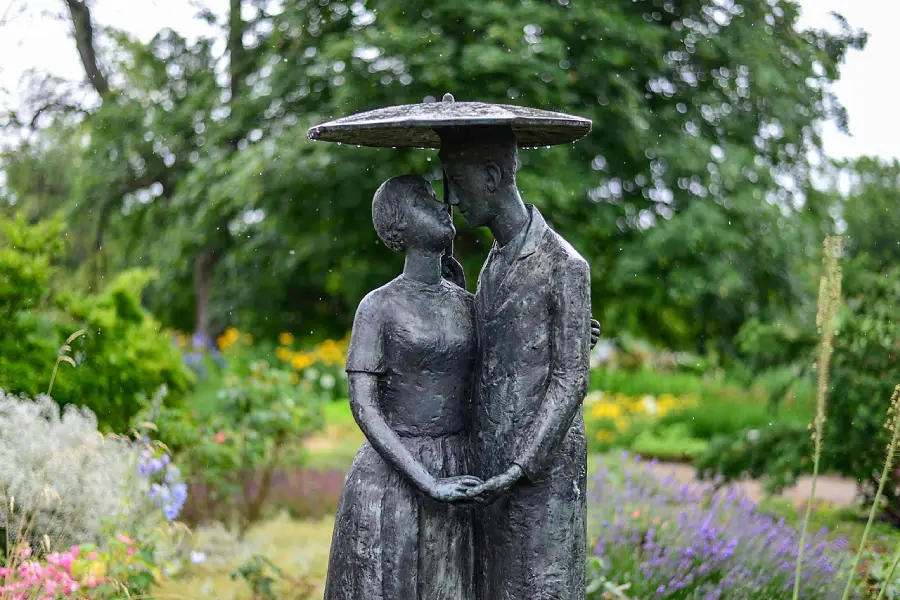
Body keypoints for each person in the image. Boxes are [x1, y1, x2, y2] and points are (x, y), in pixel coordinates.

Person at [439, 124, 592, 600]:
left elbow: (570, 380)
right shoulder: (494, 261)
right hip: (490, 467)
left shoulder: (564, 263)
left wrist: (519, 467)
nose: (452, 200)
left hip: (539, 475)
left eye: (457, 183)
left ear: (490, 175)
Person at [324, 174, 481, 600]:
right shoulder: (378, 306)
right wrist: (425, 481)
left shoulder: (467, 304)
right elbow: (364, 406)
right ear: (398, 226)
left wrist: (569, 335)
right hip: (393, 478)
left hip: (455, 466)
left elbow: (507, 364)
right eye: (424, 200)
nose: (441, 205)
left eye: (437, 196)